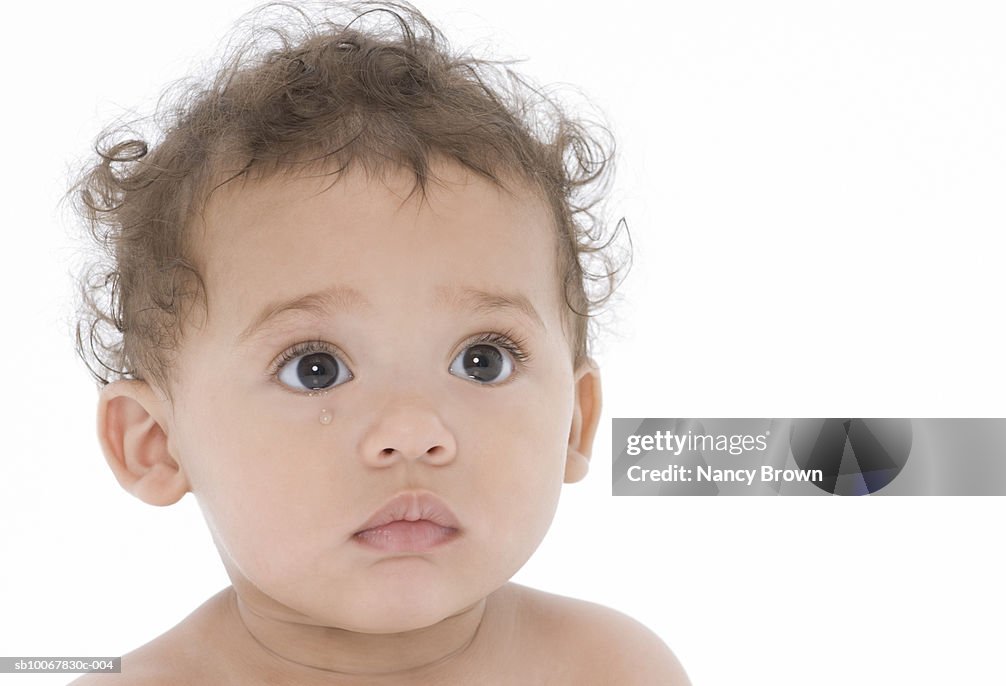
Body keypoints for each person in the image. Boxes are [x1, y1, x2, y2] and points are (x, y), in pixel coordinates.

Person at [67, 1, 690, 683]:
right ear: (155, 443)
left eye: (482, 362)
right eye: (316, 367)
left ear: (576, 419)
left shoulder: (609, 669)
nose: (414, 431)